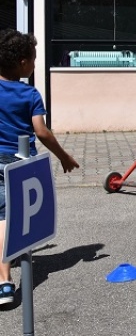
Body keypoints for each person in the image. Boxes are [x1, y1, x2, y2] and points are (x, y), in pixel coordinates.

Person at [0, 29, 79, 305]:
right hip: (17, 162)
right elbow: (42, 132)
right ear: (22, 62)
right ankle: (4, 282)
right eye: (34, 58)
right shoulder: (29, 93)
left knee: (4, 214)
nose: (35, 64)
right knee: (8, 218)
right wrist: (64, 156)